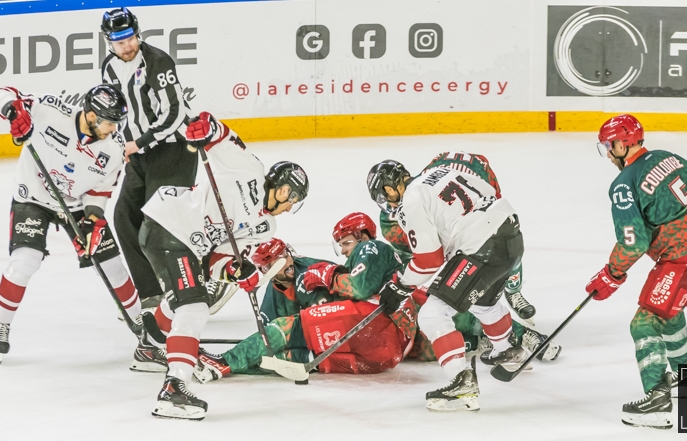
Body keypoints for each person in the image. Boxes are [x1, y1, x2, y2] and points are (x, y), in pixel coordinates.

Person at [133, 111, 308, 420]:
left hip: (183, 241)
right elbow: (223, 137)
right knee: (195, 306)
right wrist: (206, 126)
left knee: (187, 292)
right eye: (293, 198)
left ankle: (150, 342)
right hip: (170, 224)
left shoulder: (266, 227)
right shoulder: (250, 170)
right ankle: (174, 388)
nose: (292, 206)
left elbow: (216, 260)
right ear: (284, 190)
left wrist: (238, 271)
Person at [585, 114, 687, 429]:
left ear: (624, 142)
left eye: (609, 145)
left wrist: (611, 275)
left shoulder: (623, 185)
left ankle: (657, 401)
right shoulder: (666, 158)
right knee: (670, 311)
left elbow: (634, 242)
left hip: (683, 256)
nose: (607, 153)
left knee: (644, 322)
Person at [0, 85, 141, 363]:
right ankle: (1, 324)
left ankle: (142, 324)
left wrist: (93, 222)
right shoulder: (50, 111)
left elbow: (100, 191)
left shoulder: (113, 149)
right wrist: (13, 111)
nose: (113, 129)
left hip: (78, 205)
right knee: (25, 261)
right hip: (32, 197)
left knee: (112, 265)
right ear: (91, 115)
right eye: (109, 123)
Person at [367, 157, 528, 412]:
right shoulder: (440, 171)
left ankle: (461, 381)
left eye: (385, 197)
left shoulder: (410, 201)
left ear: (389, 188)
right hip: (511, 233)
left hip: (482, 248)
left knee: (432, 314)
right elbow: (489, 191)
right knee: (483, 302)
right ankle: (509, 352)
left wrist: (400, 285)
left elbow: (429, 260)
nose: (389, 203)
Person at [195, 213, 419, 381]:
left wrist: (328, 275)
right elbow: (268, 332)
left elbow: (359, 289)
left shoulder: (370, 247)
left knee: (286, 329)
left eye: (347, 242)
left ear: (362, 236)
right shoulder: (279, 288)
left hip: (376, 324)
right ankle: (222, 367)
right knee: (293, 359)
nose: (343, 251)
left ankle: (224, 362)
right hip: (381, 356)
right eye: (340, 245)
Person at [101, 7, 198, 312]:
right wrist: (124, 148)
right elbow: (116, 113)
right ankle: (152, 293)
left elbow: (175, 113)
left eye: (129, 38)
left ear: (137, 34)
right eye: (119, 41)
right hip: (140, 154)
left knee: (157, 224)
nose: (126, 46)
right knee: (123, 218)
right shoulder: (109, 68)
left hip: (174, 151)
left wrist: (138, 144)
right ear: (109, 42)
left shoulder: (158, 62)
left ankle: (191, 283)